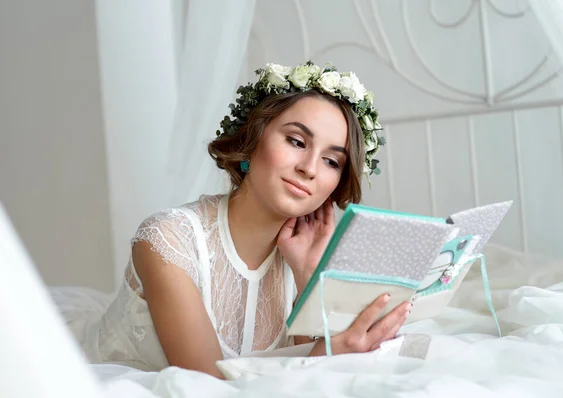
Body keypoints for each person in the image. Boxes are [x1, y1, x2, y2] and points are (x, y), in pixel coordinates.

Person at [60, 61, 412, 379]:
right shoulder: (166, 240)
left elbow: (306, 380)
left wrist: (309, 276)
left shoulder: (308, 255)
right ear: (252, 138)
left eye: (332, 162)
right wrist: (327, 353)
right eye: (296, 140)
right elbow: (207, 389)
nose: (309, 168)